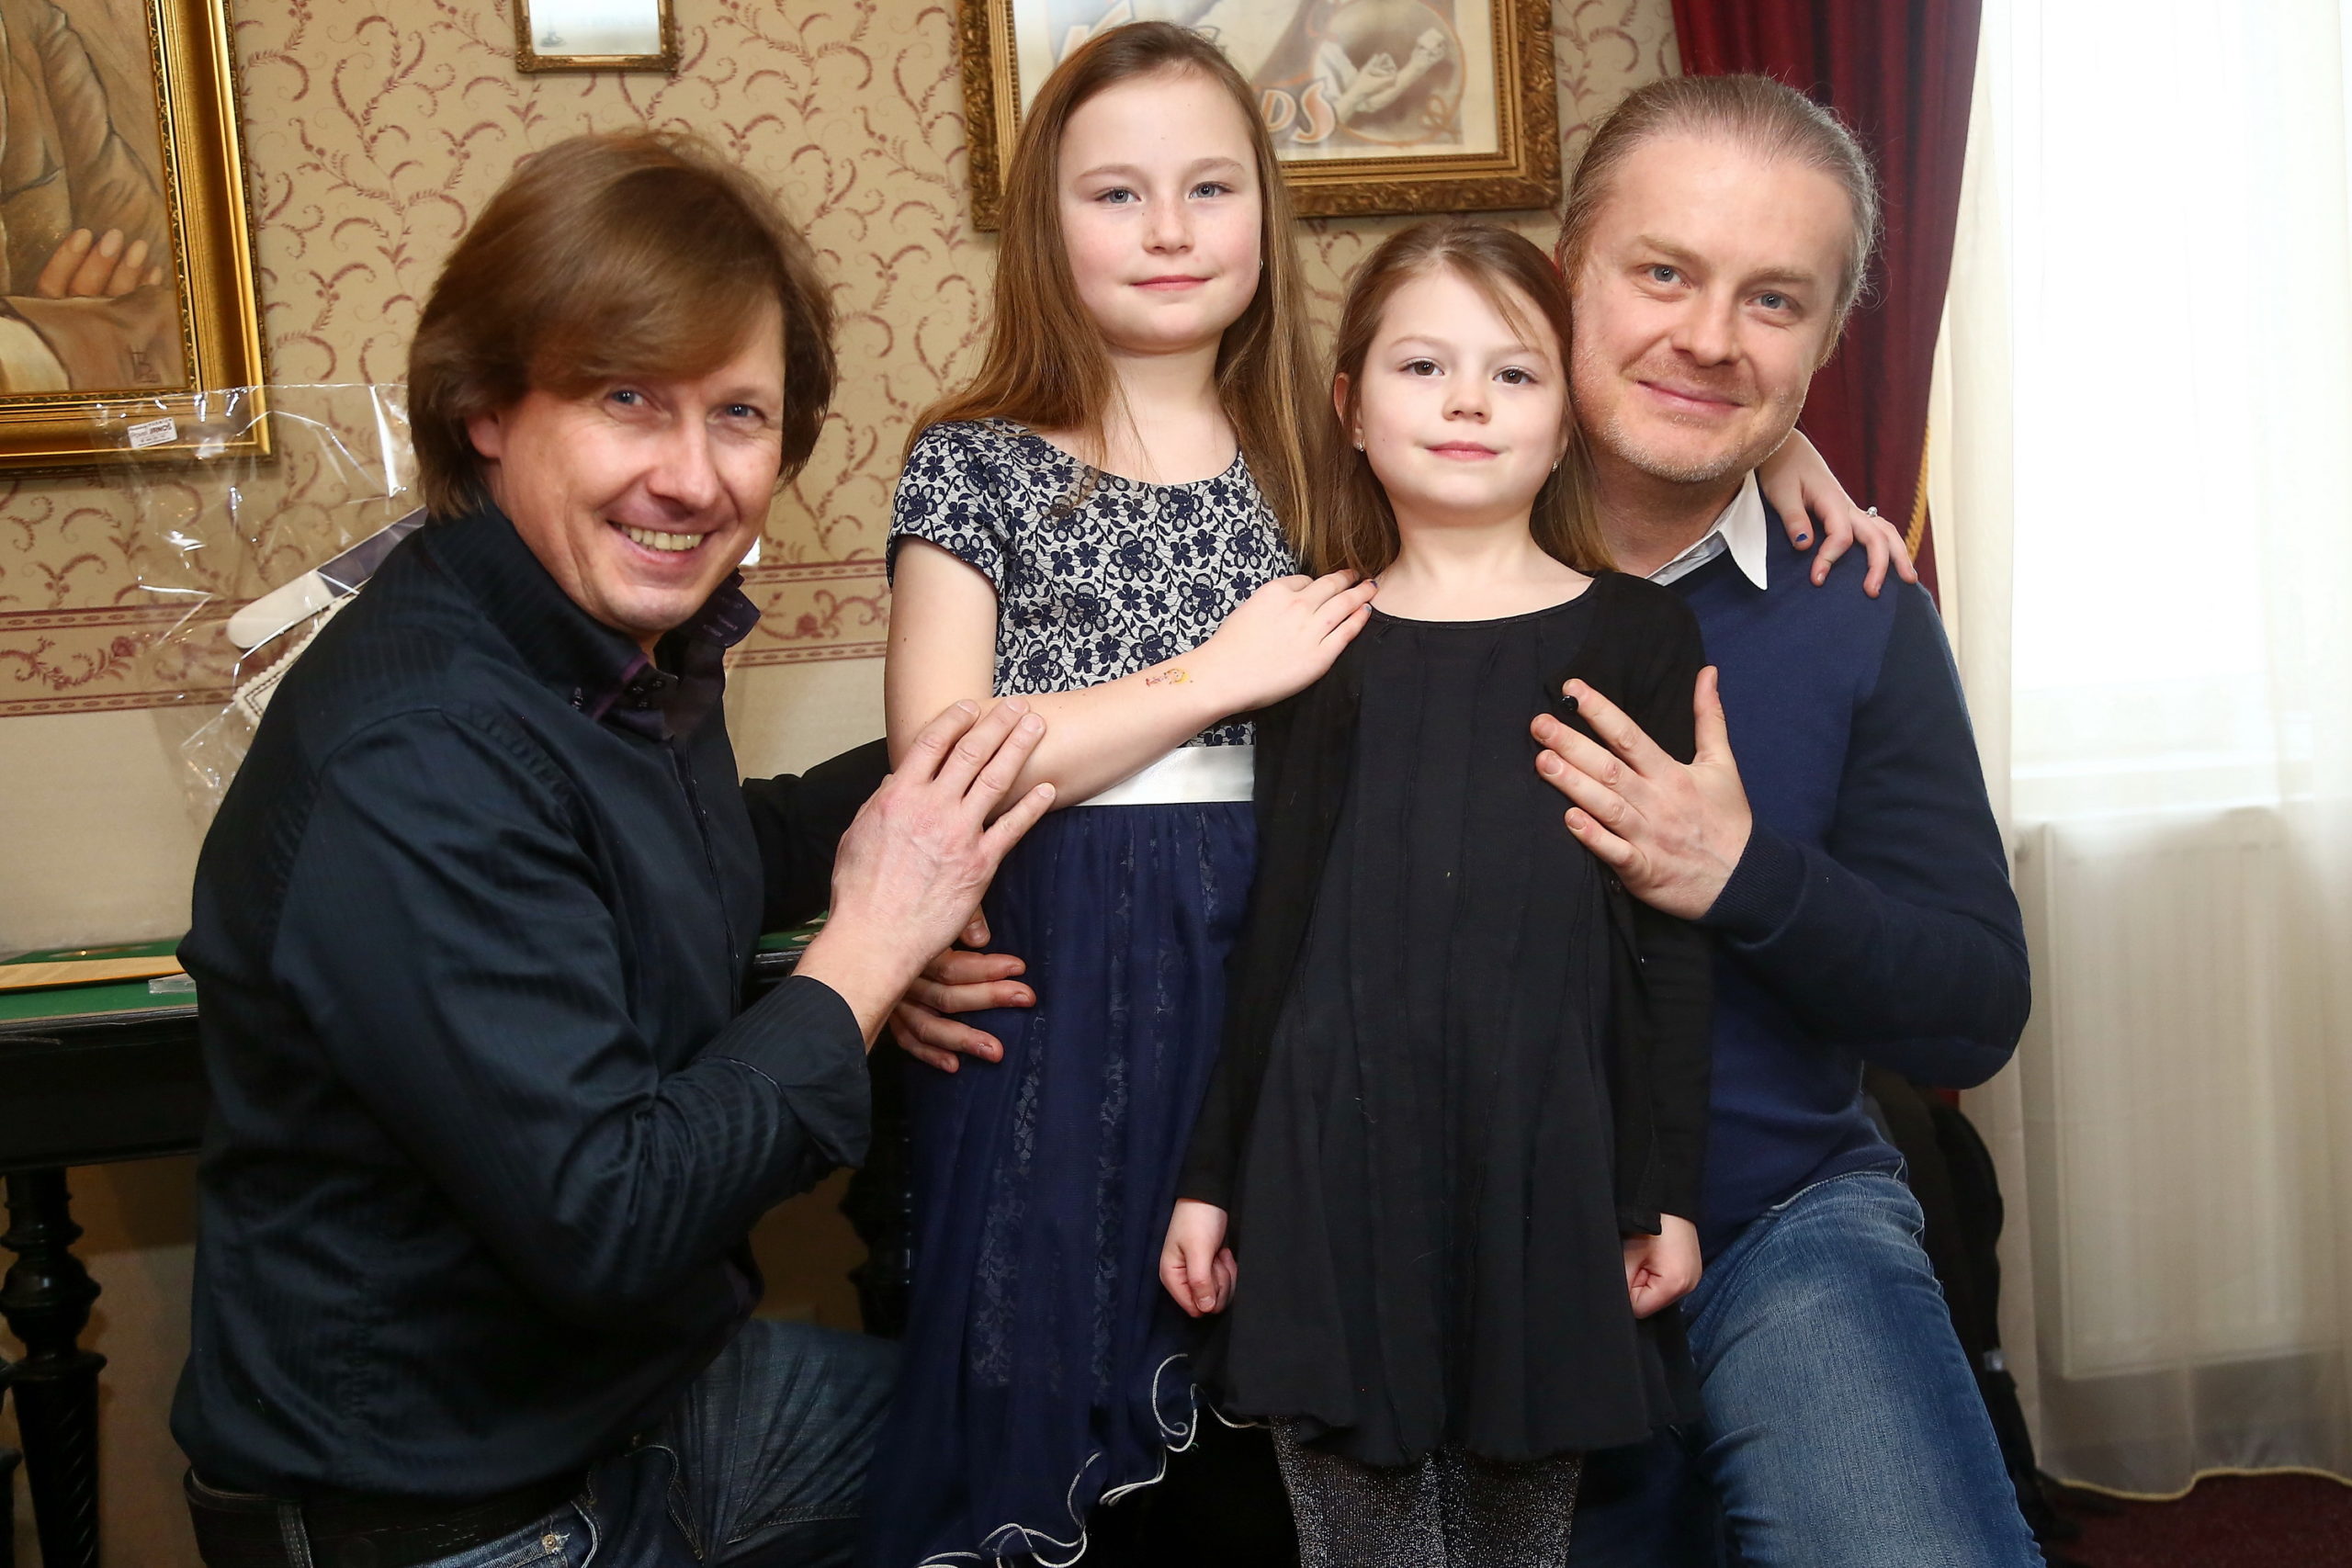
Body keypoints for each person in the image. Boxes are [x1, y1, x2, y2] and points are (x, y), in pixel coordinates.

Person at [170, 130, 1054, 1568]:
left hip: (647, 1411)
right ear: (486, 408)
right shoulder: (420, 751)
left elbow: (719, 849)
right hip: (461, 1518)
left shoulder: (600, 652)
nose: (691, 479)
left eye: (739, 415)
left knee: (1079, 1459)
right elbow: (613, 1220)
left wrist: (1007, 739)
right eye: (627, 399)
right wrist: (870, 954)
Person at [862, 25, 1374, 1565]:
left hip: (1287, 993)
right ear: (1046, 222)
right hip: (1057, 1007)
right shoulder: (974, 464)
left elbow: (1555, 460)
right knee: (1047, 1421)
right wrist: (1215, 675)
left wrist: (1794, 460)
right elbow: (942, 769)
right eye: (1116, 193)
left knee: (1283, 1459)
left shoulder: (1335, 452)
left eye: (1210, 187)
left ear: (1266, 213)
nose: (1168, 229)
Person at [1531, 76, 2043, 1566]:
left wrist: (1738, 873)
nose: (1709, 337)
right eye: (1663, 272)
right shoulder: (1387, 547)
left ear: (1825, 344)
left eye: (1774, 301)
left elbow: (1972, 1009)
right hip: (1468, 1235)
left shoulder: (1858, 608)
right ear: (1566, 276)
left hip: (1780, 1222)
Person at [1159, 219, 1712, 1565]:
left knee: (1522, 1537)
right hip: (1330, 1161)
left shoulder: (1637, 633)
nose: (1469, 401)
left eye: (1513, 374)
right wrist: (1215, 1178)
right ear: (1351, 408)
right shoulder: (1313, 639)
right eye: (1423, 366)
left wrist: (1663, 1189)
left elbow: (1667, 942)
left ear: (1568, 417)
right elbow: (1275, 926)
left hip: (1546, 1160)